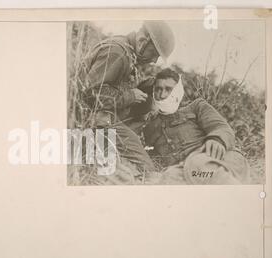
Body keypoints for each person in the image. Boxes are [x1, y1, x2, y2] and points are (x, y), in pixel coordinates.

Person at [82, 21, 175, 175]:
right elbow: (91, 94)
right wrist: (131, 96)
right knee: (147, 170)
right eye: (154, 54)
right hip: (97, 120)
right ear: (142, 41)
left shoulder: (126, 50)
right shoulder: (117, 52)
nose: (153, 60)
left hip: (105, 118)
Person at [141, 68, 250, 184]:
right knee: (168, 178)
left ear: (177, 90)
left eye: (168, 89)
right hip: (185, 170)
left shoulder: (197, 106)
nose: (162, 95)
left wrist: (217, 139)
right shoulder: (151, 125)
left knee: (197, 163)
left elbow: (221, 127)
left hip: (217, 158)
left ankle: (237, 196)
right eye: (158, 89)